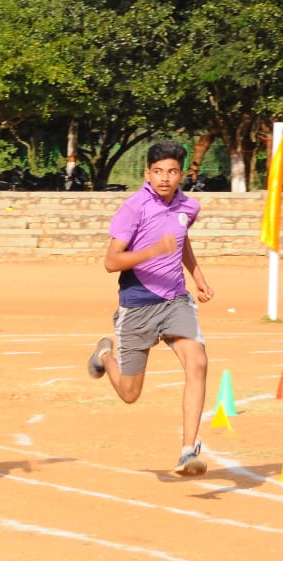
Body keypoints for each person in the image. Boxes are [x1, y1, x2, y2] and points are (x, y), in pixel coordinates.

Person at [87, 140, 212, 476]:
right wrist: (153, 251)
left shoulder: (189, 207)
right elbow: (111, 262)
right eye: (158, 171)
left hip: (175, 300)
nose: (164, 178)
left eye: (172, 171)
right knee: (130, 394)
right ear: (147, 174)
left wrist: (198, 277)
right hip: (137, 304)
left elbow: (181, 239)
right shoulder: (134, 207)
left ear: (182, 175)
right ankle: (104, 355)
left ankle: (187, 451)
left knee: (198, 362)